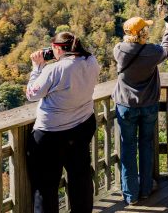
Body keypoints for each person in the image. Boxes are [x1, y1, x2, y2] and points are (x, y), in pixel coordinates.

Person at [26, 31, 101, 213]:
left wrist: (38, 67)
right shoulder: (91, 61)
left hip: (51, 133)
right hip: (82, 125)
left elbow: (32, 94)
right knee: (80, 177)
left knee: (46, 185)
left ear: (59, 49)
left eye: (53, 48)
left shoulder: (54, 69)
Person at [112, 16, 168, 205]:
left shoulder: (119, 50)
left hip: (125, 105)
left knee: (128, 148)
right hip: (148, 104)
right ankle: (146, 189)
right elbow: (165, 50)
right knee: (146, 145)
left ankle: (130, 194)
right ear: (143, 33)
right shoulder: (152, 52)